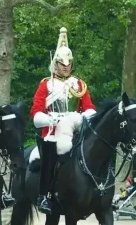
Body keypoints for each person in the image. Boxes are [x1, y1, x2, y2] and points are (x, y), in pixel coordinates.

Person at [30, 27, 97, 214]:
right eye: (62, 63)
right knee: (51, 153)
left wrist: (84, 117)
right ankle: (44, 195)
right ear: (55, 64)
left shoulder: (79, 84)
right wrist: (51, 119)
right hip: (53, 130)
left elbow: (89, 107)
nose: (66, 67)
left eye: (68, 63)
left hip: (75, 128)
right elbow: (36, 112)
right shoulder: (46, 84)